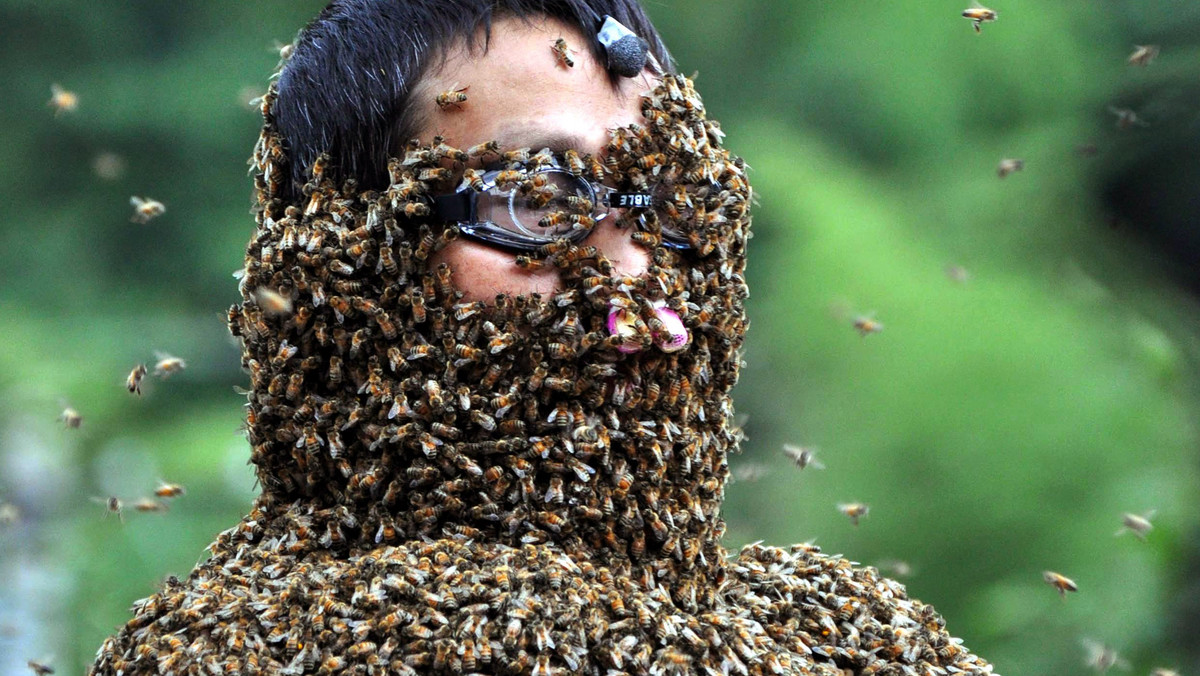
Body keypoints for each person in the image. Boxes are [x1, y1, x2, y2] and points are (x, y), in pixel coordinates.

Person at [90, 2, 997, 675]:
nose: (646, 302)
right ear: (334, 258)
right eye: (539, 201)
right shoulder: (231, 654)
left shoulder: (861, 643)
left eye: (678, 213)